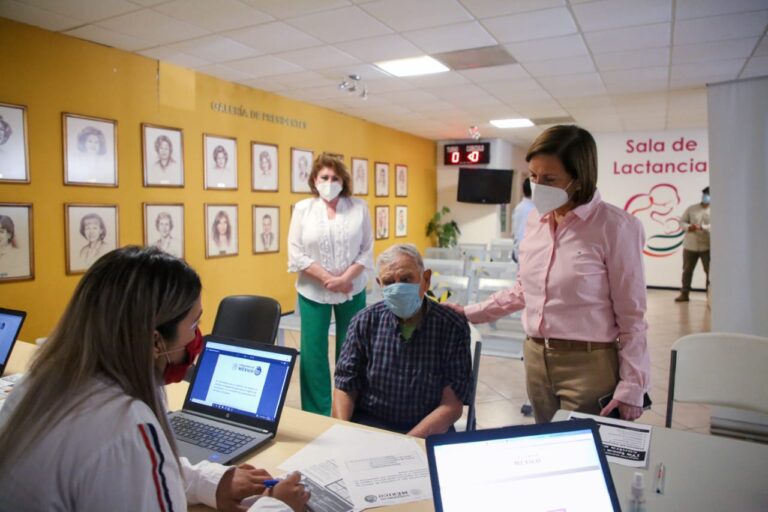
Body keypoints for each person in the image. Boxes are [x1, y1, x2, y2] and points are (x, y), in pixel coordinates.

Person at [0, 246, 308, 511]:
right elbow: (134, 465)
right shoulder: (128, 426)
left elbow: (133, 477)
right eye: (194, 324)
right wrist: (276, 505)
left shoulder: (35, 385)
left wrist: (212, 484)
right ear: (155, 341)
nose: (198, 338)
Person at [445, 125, 650, 424]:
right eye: (533, 176)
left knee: (582, 447)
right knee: (545, 442)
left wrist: (633, 383)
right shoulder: (536, 220)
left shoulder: (616, 227)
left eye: (550, 179)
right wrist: (469, 313)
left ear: (579, 178)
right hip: (536, 359)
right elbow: (523, 290)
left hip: (589, 365)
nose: (538, 186)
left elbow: (632, 316)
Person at [333, 244, 472, 437]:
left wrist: (406, 443)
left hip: (429, 429)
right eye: (389, 282)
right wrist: (342, 433)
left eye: (406, 279)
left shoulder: (452, 326)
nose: (397, 288)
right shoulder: (364, 322)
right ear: (380, 284)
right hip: (371, 425)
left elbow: (452, 405)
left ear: (426, 279)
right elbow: (345, 387)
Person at [287, 154, 373, 416]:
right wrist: (328, 279)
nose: (329, 182)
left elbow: (367, 250)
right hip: (312, 290)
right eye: (324, 177)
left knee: (352, 351)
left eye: (335, 178)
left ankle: (349, 409)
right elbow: (296, 253)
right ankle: (318, 413)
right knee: (313, 354)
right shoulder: (303, 209)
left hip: (352, 289)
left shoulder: (359, 207)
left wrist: (345, 279)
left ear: (343, 181)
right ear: (314, 180)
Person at [674, 186, 710, 302]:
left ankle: (710, 296)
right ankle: (684, 294)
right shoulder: (692, 208)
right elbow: (682, 222)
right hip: (690, 245)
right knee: (687, 270)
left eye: (708, 195)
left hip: (707, 246)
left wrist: (703, 227)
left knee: (709, 272)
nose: (705, 197)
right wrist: (689, 227)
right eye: (704, 194)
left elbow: (717, 225)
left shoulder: (717, 210)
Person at [511, 177, 534, 262]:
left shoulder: (522, 207)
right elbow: (520, 235)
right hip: (525, 257)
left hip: (524, 255)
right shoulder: (528, 210)